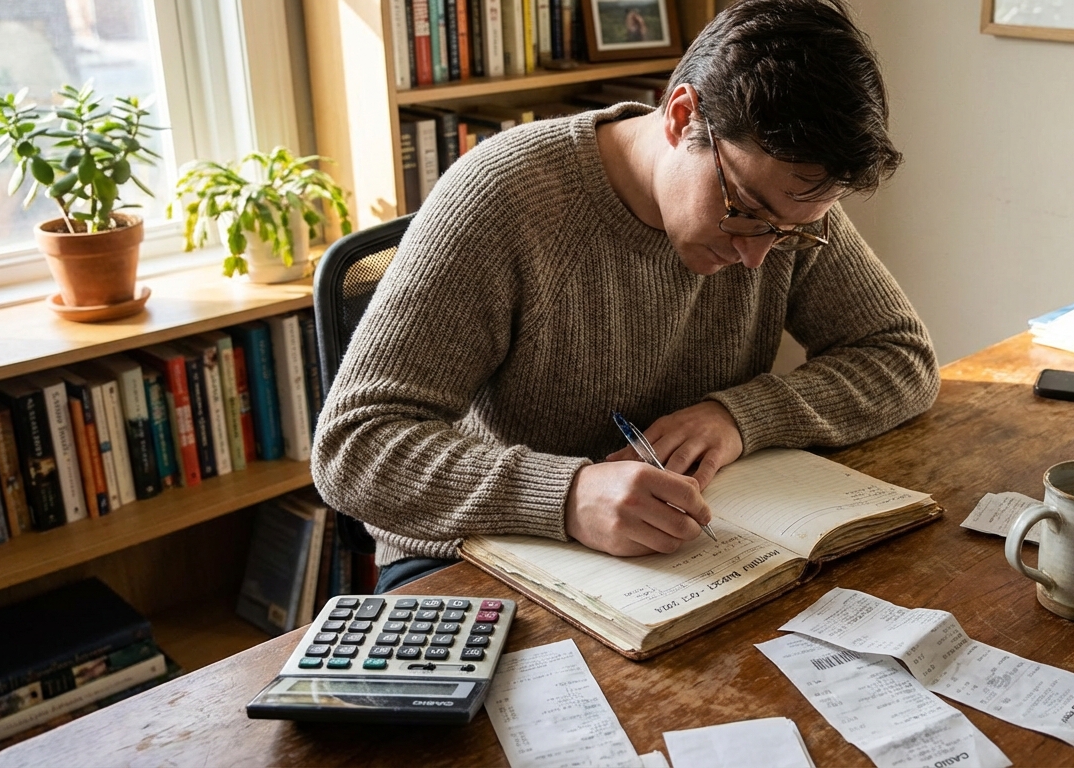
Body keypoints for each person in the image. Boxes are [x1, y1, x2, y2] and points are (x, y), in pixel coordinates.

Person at [312, 0, 940, 593]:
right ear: (681, 117)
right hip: (475, 553)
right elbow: (353, 445)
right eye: (744, 213)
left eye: (791, 233)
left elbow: (900, 357)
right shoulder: (501, 197)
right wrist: (567, 495)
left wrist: (737, 418)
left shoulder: (784, 208)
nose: (757, 257)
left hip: (672, 552)